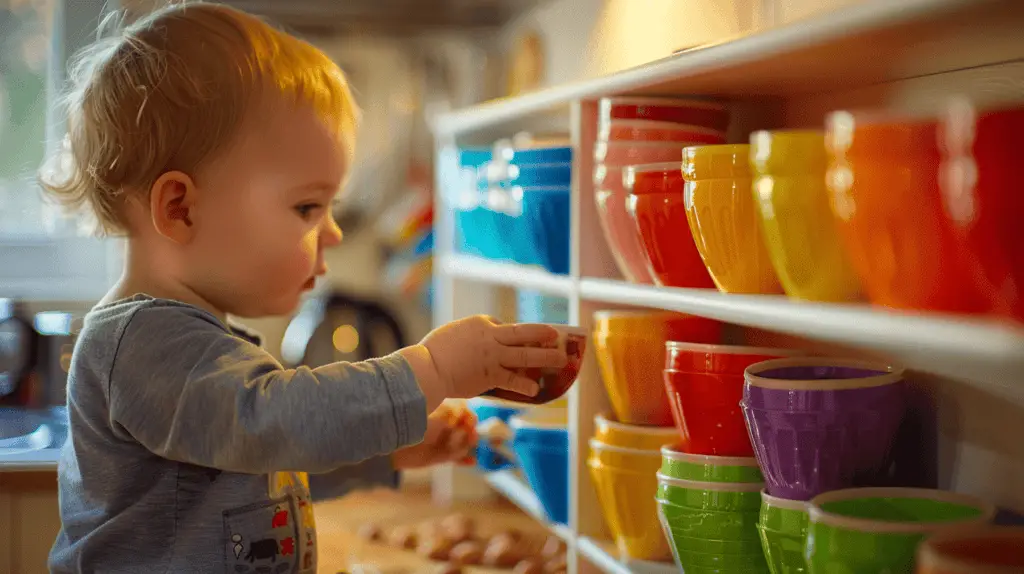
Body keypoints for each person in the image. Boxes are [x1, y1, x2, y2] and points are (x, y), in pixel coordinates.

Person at [39, 4, 567, 573]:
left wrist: (387, 453)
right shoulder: (139, 343)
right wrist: (433, 370)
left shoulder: (202, 341)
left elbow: (260, 462)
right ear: (180, 208)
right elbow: (272, 422)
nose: (333, 233)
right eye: (307, 206)